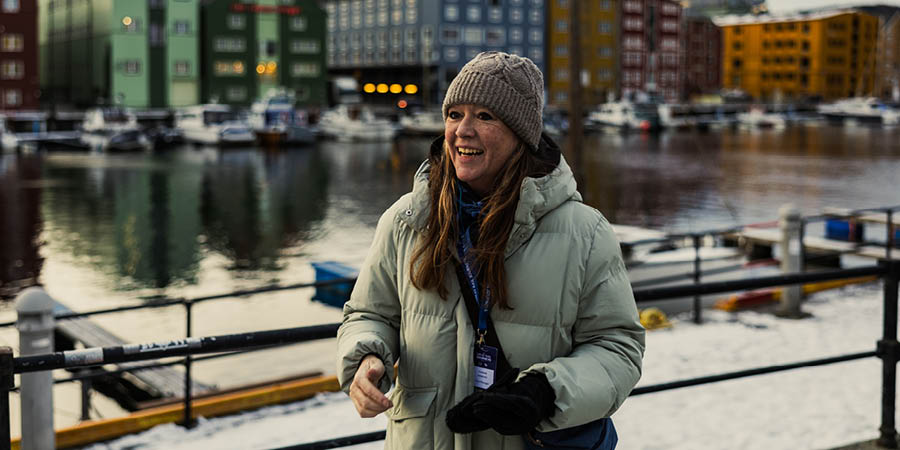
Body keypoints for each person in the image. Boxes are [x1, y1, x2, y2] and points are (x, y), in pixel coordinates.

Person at [337, 51, 645, 449]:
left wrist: (546, 391)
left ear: (521, 134)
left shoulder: (585, 233)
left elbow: (618, 348)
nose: (462, 130)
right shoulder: (405, 221)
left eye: (484, 116)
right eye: (454, 114)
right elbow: (368, 314)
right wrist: (367, 357)